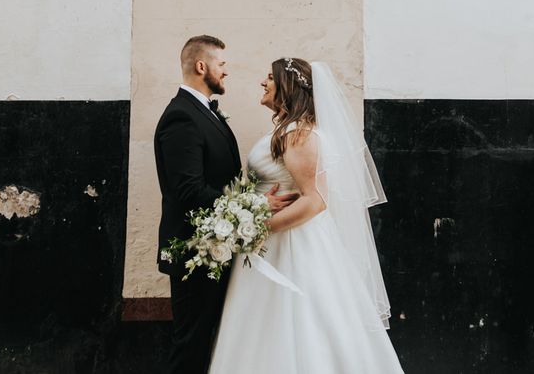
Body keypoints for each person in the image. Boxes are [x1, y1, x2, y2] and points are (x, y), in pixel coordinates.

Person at [208, 58, 404, 373]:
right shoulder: (289, 130)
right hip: (273, 245)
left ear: (287, 87)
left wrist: (258, 226)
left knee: (300, 323)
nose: (263, 82)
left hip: (294, 246)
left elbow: (314, 200)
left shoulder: (299, 135)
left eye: (270, 77)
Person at [153, 36, 296, 374]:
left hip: (219, 249)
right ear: (202, 67)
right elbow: (188, 191)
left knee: (207, 345)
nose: (226, 72)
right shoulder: (181, 117)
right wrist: (255, 204)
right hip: (195, 251)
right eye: (221, 64)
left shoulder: (205, 114)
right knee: (191, 347)